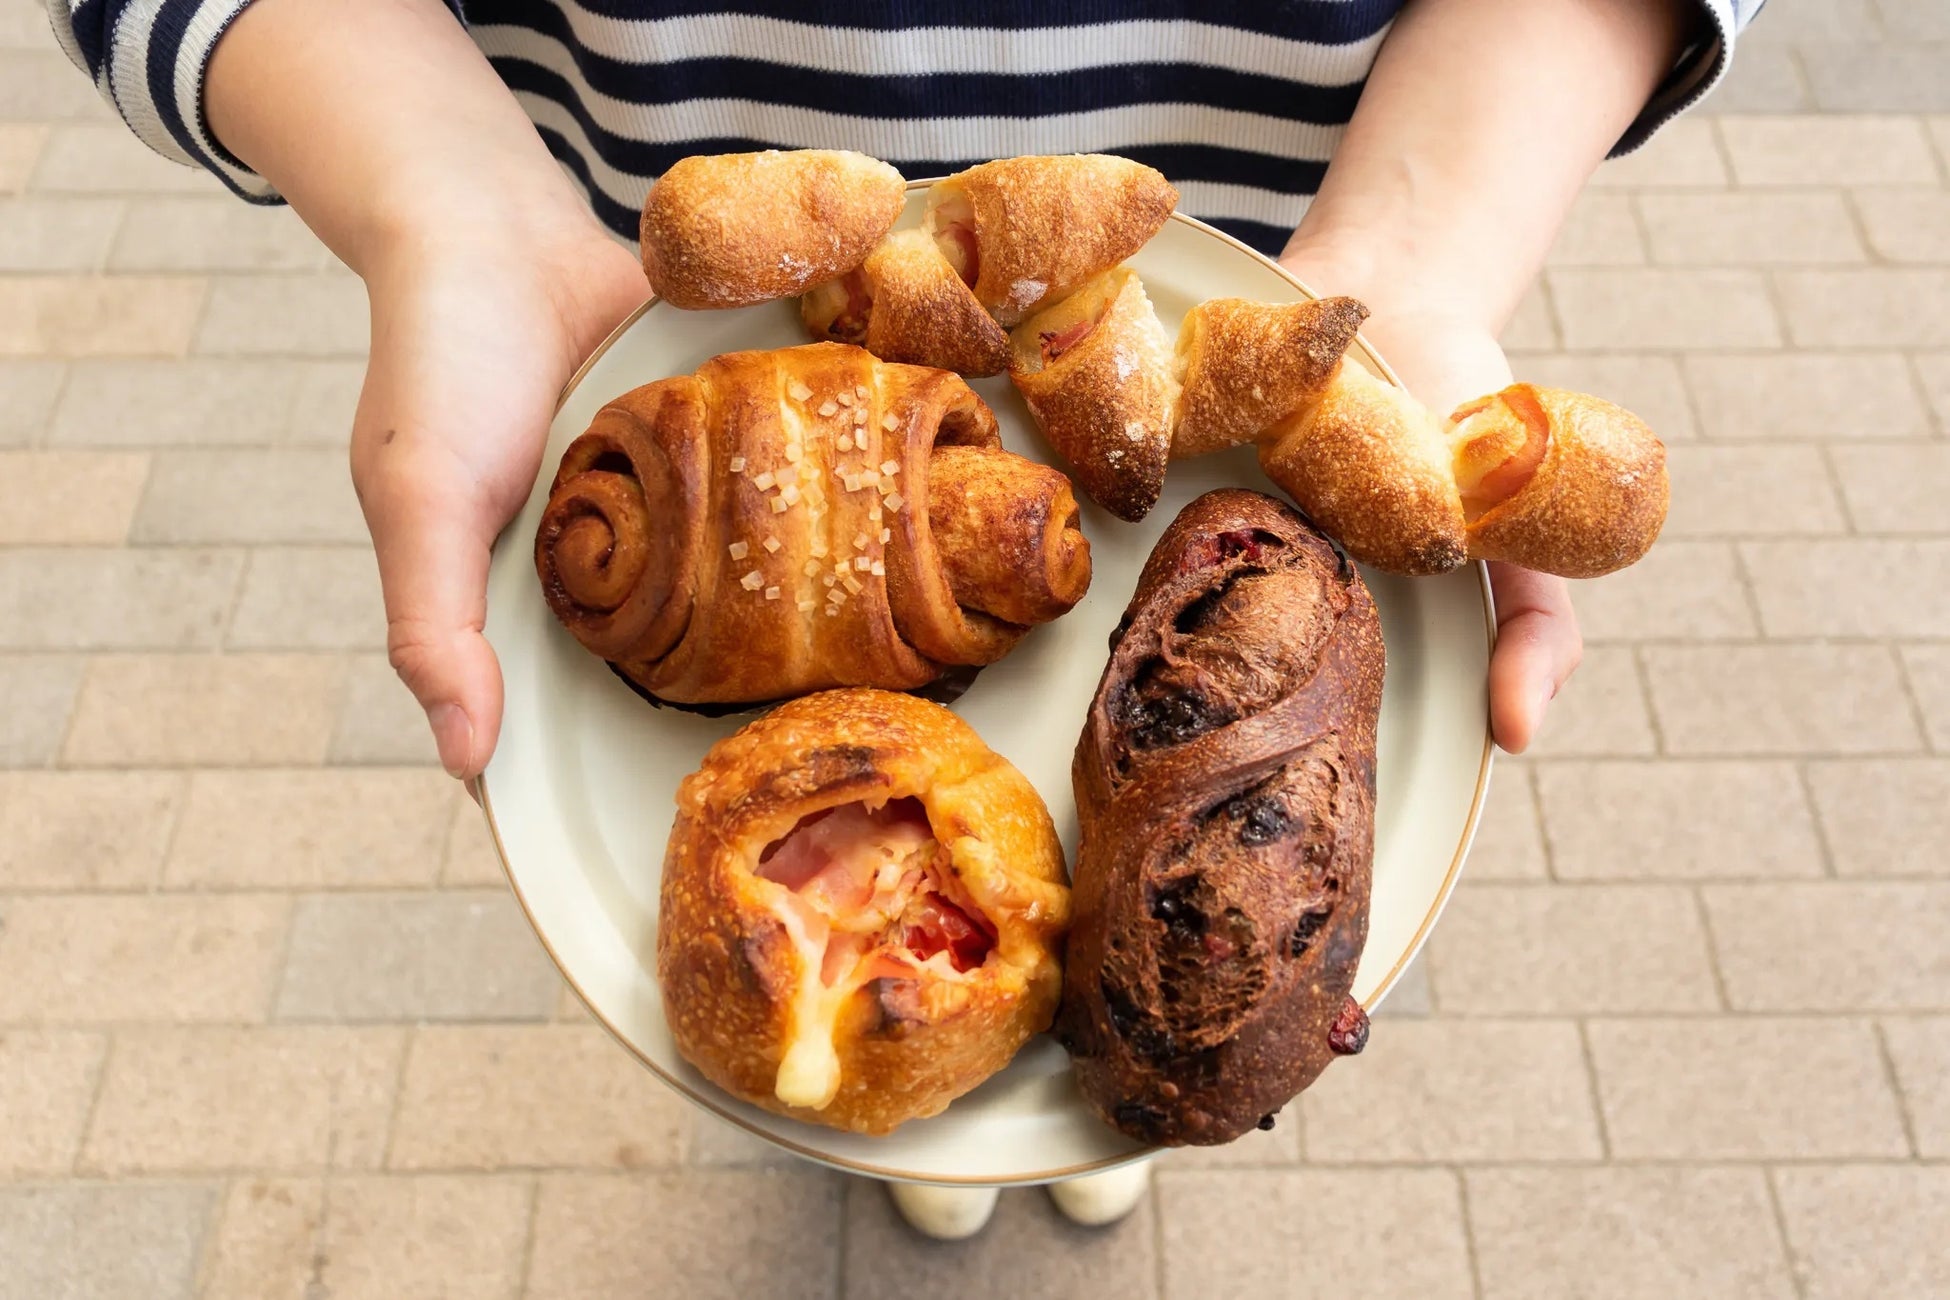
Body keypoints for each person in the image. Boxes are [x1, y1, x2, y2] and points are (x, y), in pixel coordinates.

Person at [49, 0, 1756, 1240]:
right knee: (861, 1084)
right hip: (654, 258)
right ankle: (964, 1120)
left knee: (1114, 1065)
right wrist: (448, 207)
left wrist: (1423, 258)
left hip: (1288, 225)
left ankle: (1082, 1110)